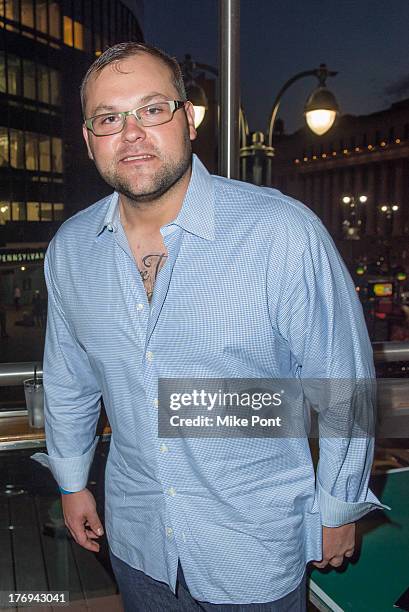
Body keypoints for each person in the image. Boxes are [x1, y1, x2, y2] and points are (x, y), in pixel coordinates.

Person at [32, 42, 386, 611]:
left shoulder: (280, 232)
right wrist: (73, 482)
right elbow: (69, 380)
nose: (131, 132)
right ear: (88, 138)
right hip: (137, 542)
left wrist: (339, 504)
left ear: (188, 118)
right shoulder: (71, 249)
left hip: (255, 546)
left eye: (152, 109)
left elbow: (343, 382)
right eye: (109, 118)